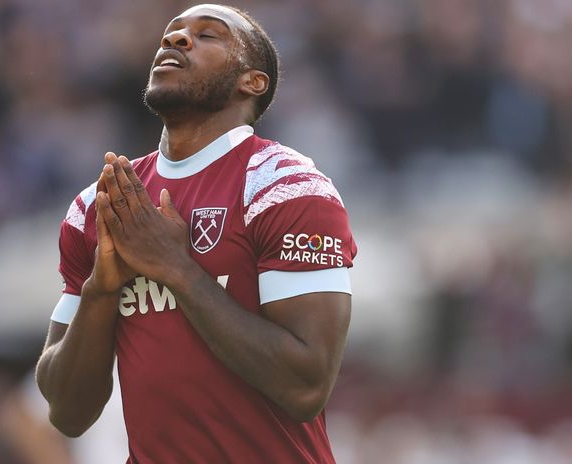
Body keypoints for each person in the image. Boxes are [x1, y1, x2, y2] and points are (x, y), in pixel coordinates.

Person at [36, 4, 356, 463]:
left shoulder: (286, 187)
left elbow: (305, 386)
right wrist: (101, 288)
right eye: (171, 34)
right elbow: (67, 413)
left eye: (209, 36)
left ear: (253, 81)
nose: (176, 40)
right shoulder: (99, 205)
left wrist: (175, 268)